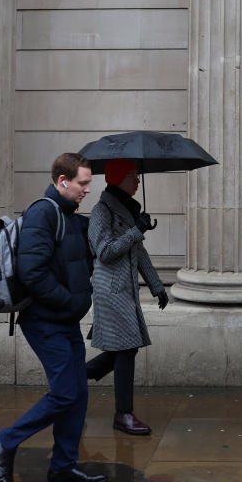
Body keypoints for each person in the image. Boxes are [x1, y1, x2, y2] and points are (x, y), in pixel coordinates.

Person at [0, 153, 106, 482]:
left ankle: (63, 467)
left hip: (63, 321)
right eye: (83, 183)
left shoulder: (69, 216)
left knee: (78, 394)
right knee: (66, 392)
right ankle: (4, 442)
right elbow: (32, 272)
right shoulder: (44, 213)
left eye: (89, 183)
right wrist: (69, 302)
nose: (87, 189)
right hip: (44, 321)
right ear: (62, 181)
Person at [86, 159, 168, 436]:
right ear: (120, 178)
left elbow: (139, 253)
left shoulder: (127, 210)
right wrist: (137, 231)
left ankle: (76, 377)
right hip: (110, 289)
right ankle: (123, 413)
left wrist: (157, 286)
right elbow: (105, 252)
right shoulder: (102, 211)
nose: (138, 181)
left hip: (125, 289)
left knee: (123, 349)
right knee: (126, 348)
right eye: (133, 176)